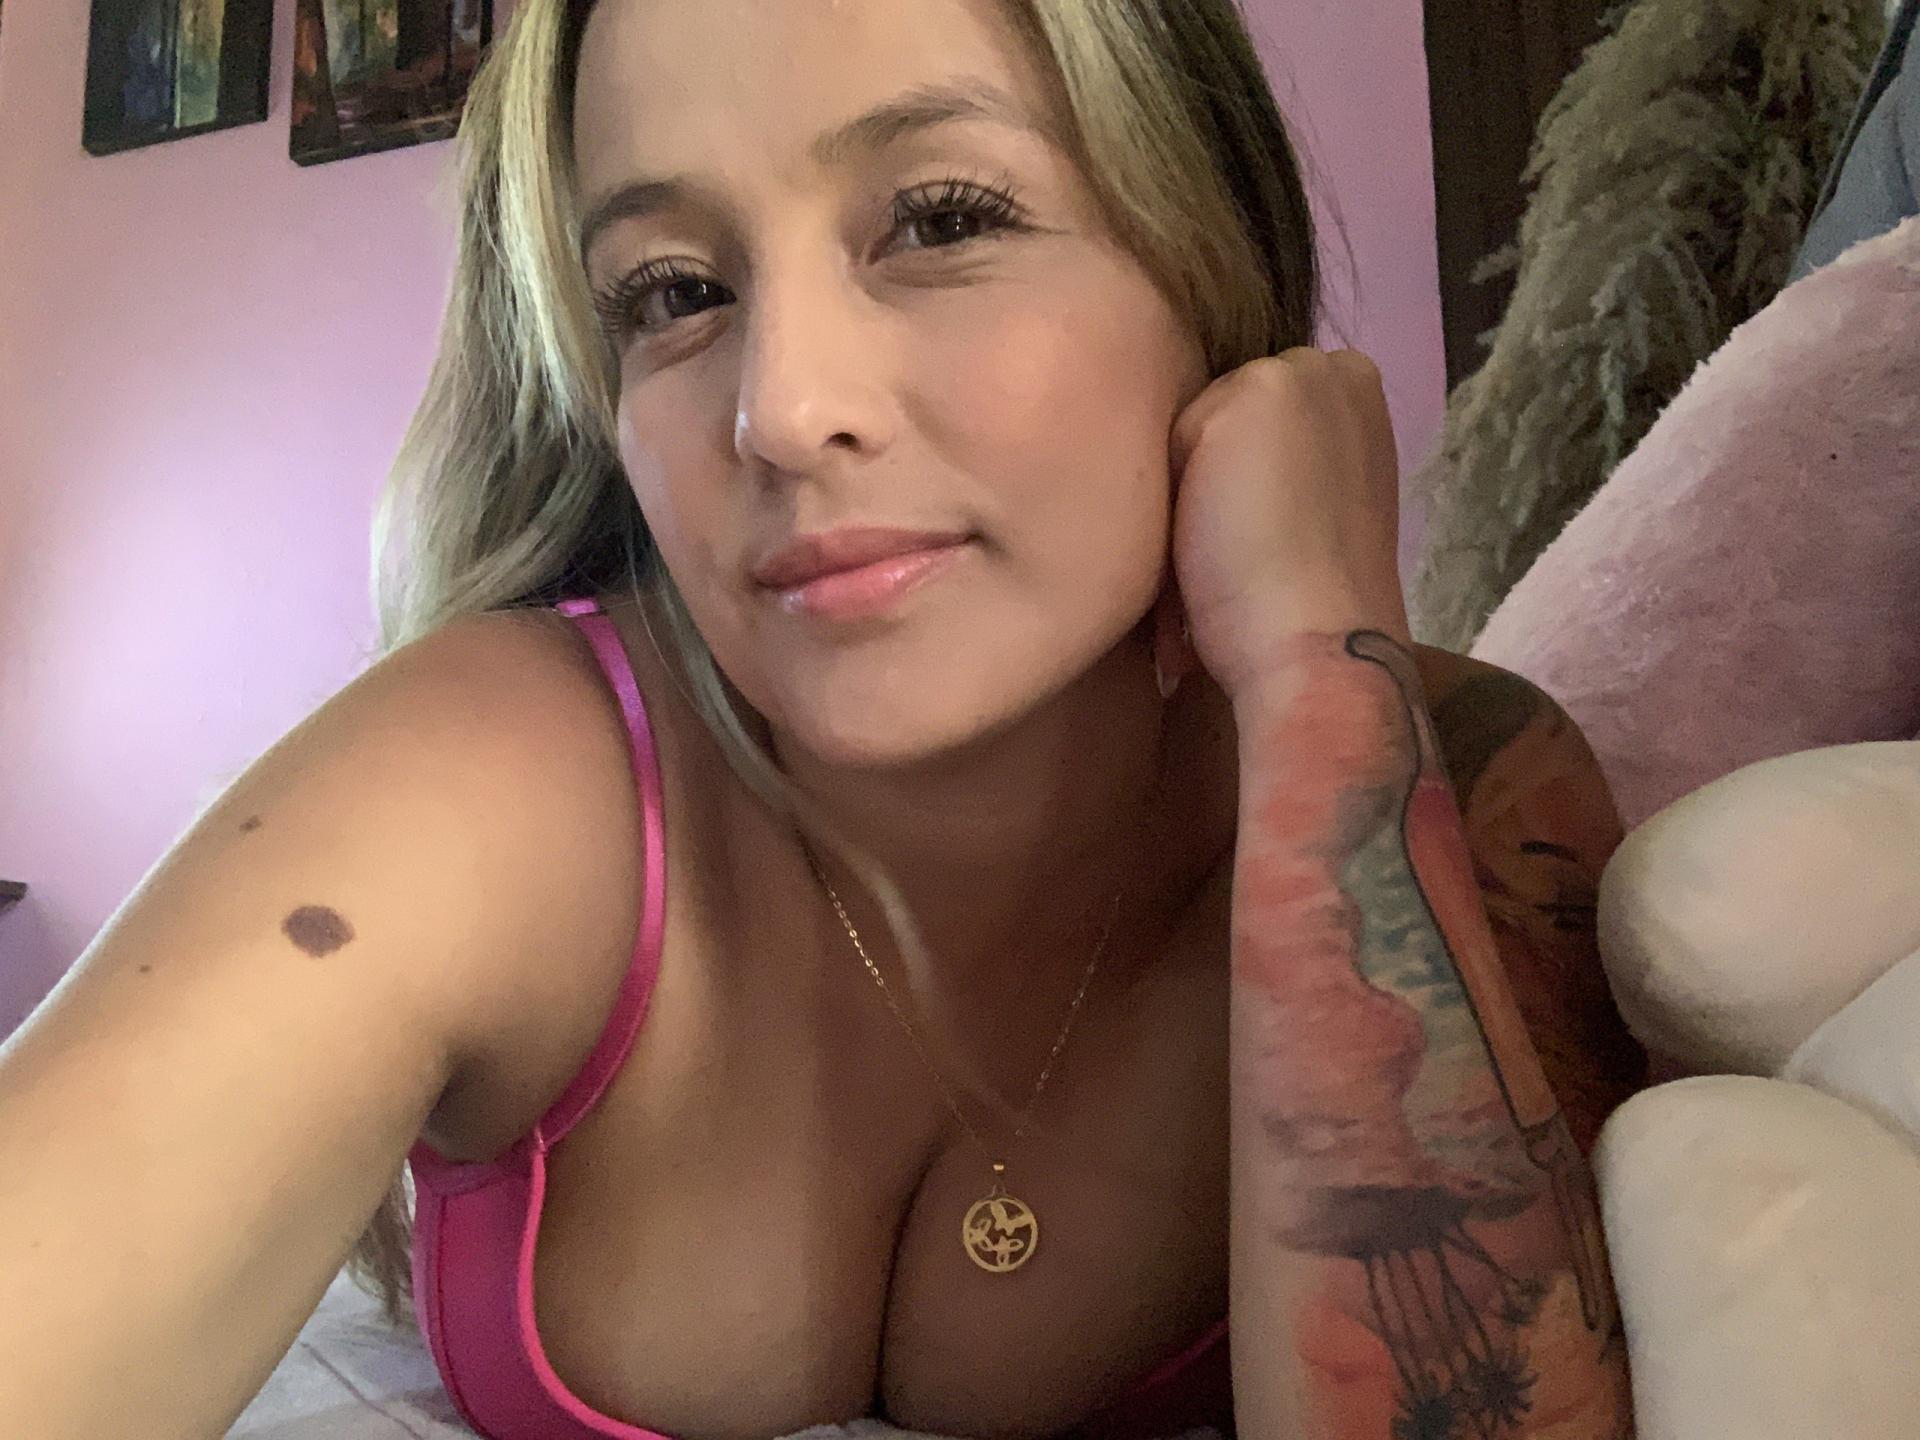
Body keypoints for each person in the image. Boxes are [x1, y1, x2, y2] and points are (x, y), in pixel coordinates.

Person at [0, 1, 1645, 1436]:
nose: (782, 411)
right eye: (670, 293)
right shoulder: (498, 775)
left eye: (941, 218)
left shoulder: (1467, 780)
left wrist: (1313, 675)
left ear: (1207, 262)